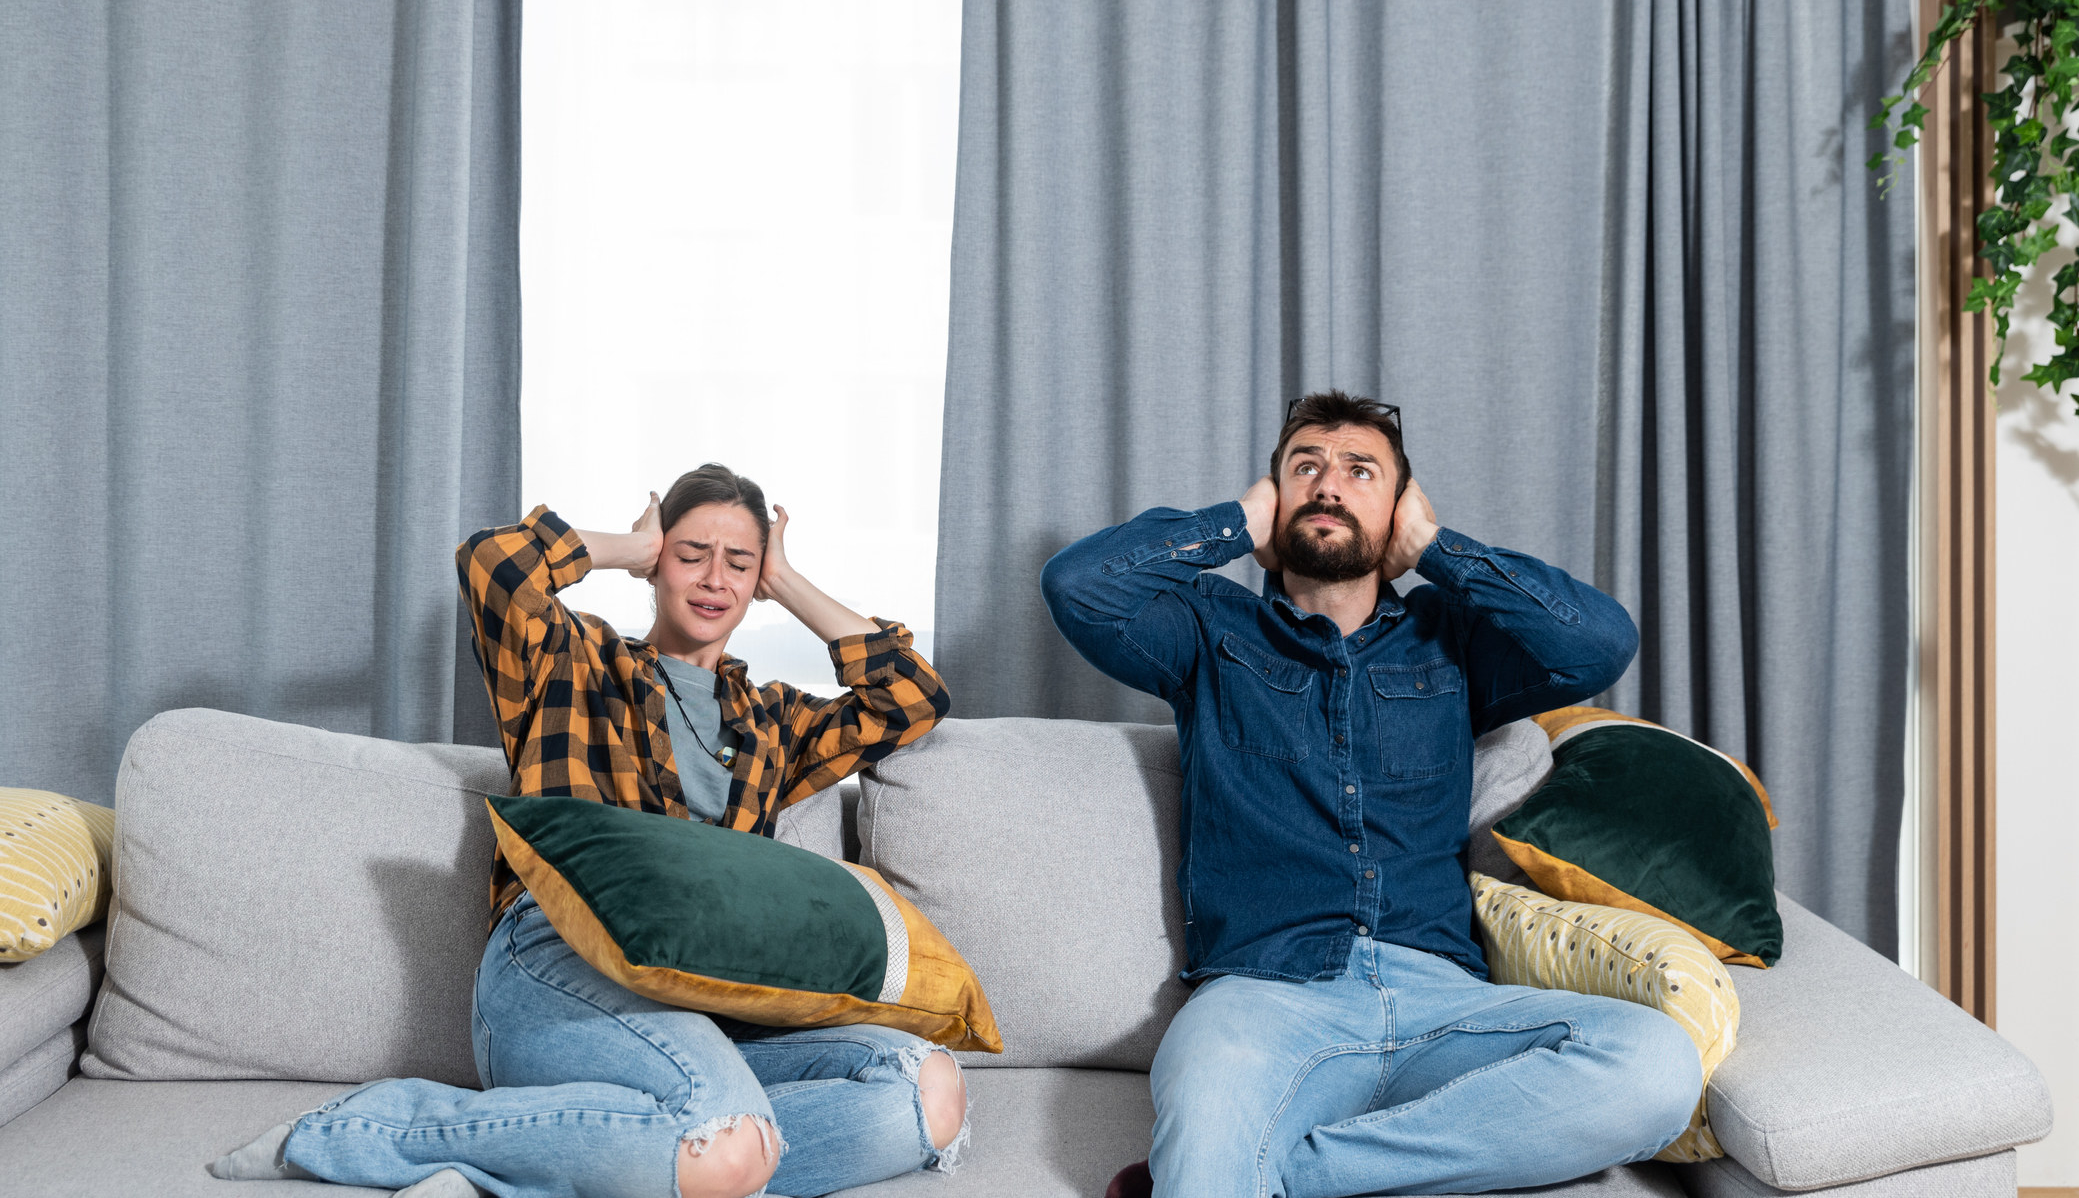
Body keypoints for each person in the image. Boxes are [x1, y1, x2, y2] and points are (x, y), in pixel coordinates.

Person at [210, 464, 964, 1198]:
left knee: (925, 1092)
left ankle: (537, 1164)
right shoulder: (574, 660)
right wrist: (628, 547)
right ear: (658, 564)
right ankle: (371, 1129)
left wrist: (788, 579)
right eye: (690, 554)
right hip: (556, 961)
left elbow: (910, 694)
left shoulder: (773, 720)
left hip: (708, 1002)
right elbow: (492, 563)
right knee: (728, 1141)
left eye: (739, 562)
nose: (713, 578)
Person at [1040, 392, 1702, 1198]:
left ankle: (1295, 1179)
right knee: (1206, 1149)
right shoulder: (1209, 631)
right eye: (1304, 467)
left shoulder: (1451, 638)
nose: (1328, 485)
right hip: (1263, 999)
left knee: (1657, 1062)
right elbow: (1077, 585)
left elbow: (1599, 641)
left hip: (1443, 1001)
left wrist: (1437, 548)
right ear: (1274, 497)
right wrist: (1232, 522)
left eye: (1361, 472)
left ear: (1397, 510)